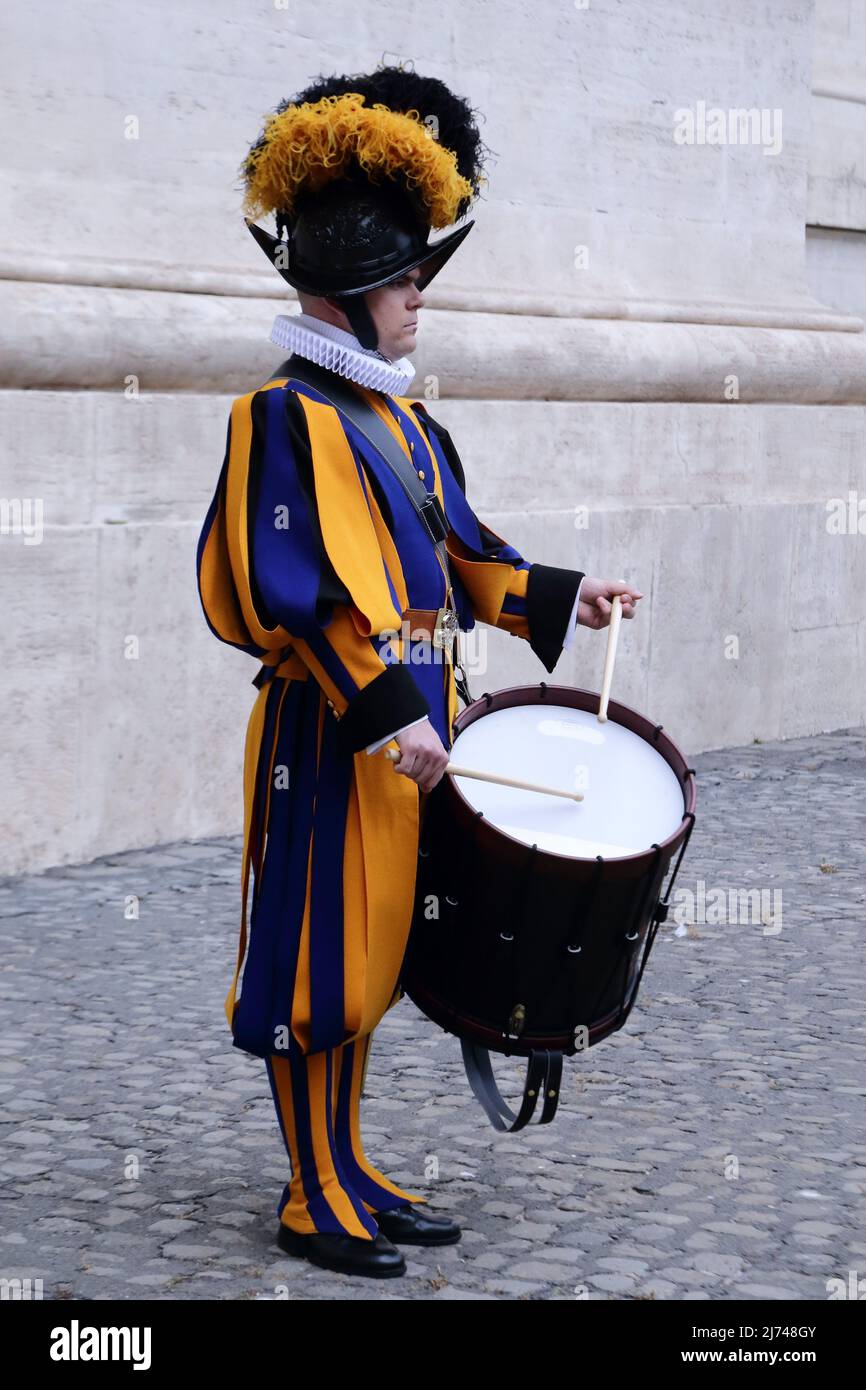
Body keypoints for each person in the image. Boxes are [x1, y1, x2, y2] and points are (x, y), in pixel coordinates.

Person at [196, 65, 643, 1279]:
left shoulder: (395, 419)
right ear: (346, 293)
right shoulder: (281, 418)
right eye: (403, 282)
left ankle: (347, 1164)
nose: (415, 302)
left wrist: (560, 595)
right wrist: (393, 715)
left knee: (378, 957)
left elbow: (456, 549)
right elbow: (294, 601)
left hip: (409, 734)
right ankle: (308, 1192)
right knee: (316, 963)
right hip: (331, 738)